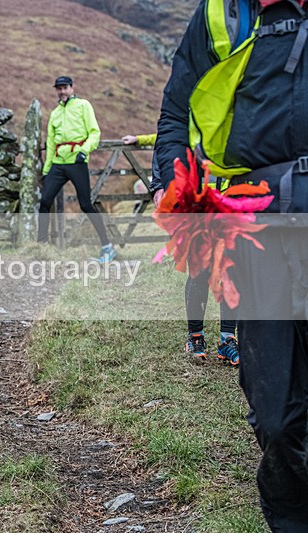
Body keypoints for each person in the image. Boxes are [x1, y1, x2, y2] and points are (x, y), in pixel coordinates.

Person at [154, 0, 308, 528]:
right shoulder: (224, 13)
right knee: (275, 416)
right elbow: (177, 107)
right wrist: (174, 186)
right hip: (253, 223)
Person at [127, 132, 241, 364]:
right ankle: (195, 336)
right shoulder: (188, 113)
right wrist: (158, 186)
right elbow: (165, 139)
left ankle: (227, 339)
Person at [39, 76, 117, 262]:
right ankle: (40, 247)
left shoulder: (83, 105)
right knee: (44, 202)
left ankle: (107, 246)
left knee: (85, 204)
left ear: (72, 88)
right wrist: (46, 169)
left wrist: (84, 151)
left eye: (65, 87)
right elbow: (51, 142)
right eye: (58, 88)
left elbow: (94, 132)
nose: (62, 91)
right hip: (58, 163)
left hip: (77, 160)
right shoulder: (55, 113)